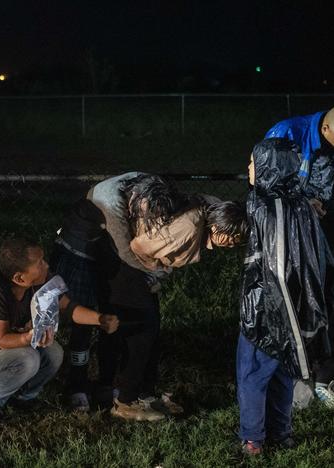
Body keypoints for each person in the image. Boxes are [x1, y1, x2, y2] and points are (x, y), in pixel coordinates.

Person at [52, 173, 187, 420]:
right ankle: (77, 386)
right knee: (83, 319)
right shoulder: (111, 203)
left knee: (111, 318)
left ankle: (106, 383)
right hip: (81, 249)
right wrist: (155, 271)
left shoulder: (150, 186)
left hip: (105, 251)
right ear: (136, 199)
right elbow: (126, 252)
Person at [0, 238, 119, 427]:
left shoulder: (41, 280)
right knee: (29, 357)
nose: (46, 265)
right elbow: (2, 340)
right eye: (39, 263)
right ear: (19, 278)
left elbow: (67, 307)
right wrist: (30, 337)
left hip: (7, 354)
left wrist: (99, 319)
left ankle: (24, 396)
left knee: (54, 352)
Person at [238, 138, 331, 455]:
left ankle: (253, 438)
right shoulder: (301, 203)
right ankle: (282, 433)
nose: (248, 168)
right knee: (282, 373)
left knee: (252, 373)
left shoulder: (266, 206)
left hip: (268, 310)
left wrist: (275, 316)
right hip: (296, 310)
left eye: (253, 161)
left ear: (268, 166)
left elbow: (275, 268)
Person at [265, 109, 334, 406]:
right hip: (294, 240)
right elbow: (263, 186)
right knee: (300, 305)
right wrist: (304, 204)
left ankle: (325, 378)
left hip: (328, 235)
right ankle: (298, 377)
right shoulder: (288, 133)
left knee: (330, 301)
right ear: (327, 127)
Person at [129, 200, 248, 271]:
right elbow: (138, 247)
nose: (231, 246)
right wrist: (156, 272)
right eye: (231, 240)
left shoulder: (203, 219)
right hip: (126, 243)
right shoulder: (189, 228)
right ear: (218, 225)